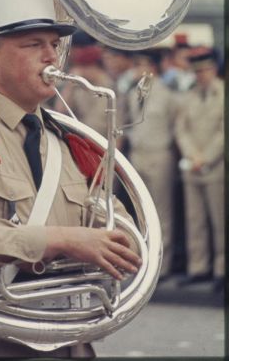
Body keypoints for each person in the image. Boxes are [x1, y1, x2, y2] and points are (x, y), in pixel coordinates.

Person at [0, 0, 141, 358]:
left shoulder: (69, 141)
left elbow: (126, 234)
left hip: (74, 340)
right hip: (0, 340)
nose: (52, 56)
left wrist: (116, 245)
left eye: (54, 44)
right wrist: (62, 240)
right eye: (34, 44)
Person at [125, 49, 180, 280]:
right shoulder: (133, 93)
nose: (138, 70)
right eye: (137, 65)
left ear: (154, 68)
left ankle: (162, 265)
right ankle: (142, 262)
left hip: (160, 154)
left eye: (143, 65)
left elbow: (176, 128)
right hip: (138, 154)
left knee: (161, 212)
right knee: (139, 213)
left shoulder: (168, 95)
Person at [174, 46, 225, 293]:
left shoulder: (224, 94)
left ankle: (222, 270)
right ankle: (198, 267)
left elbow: (223, 132)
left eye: (204, 70)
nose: (200, 75)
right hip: (192, 167)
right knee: (195, 220)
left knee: (220, 220)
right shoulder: (189, 96)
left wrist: (205, 158)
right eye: (197, 71)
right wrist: (191, 155)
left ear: (214, 69)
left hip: (216, 167)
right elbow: (181, 129)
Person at [54, 31, 113, 137]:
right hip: (84, 139)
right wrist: (70, 85)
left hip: (102, 143)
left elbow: (117, 129)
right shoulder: (80, 87)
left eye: (83, 66)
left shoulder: (111, 89)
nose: (79, 70)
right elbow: (60, 110)